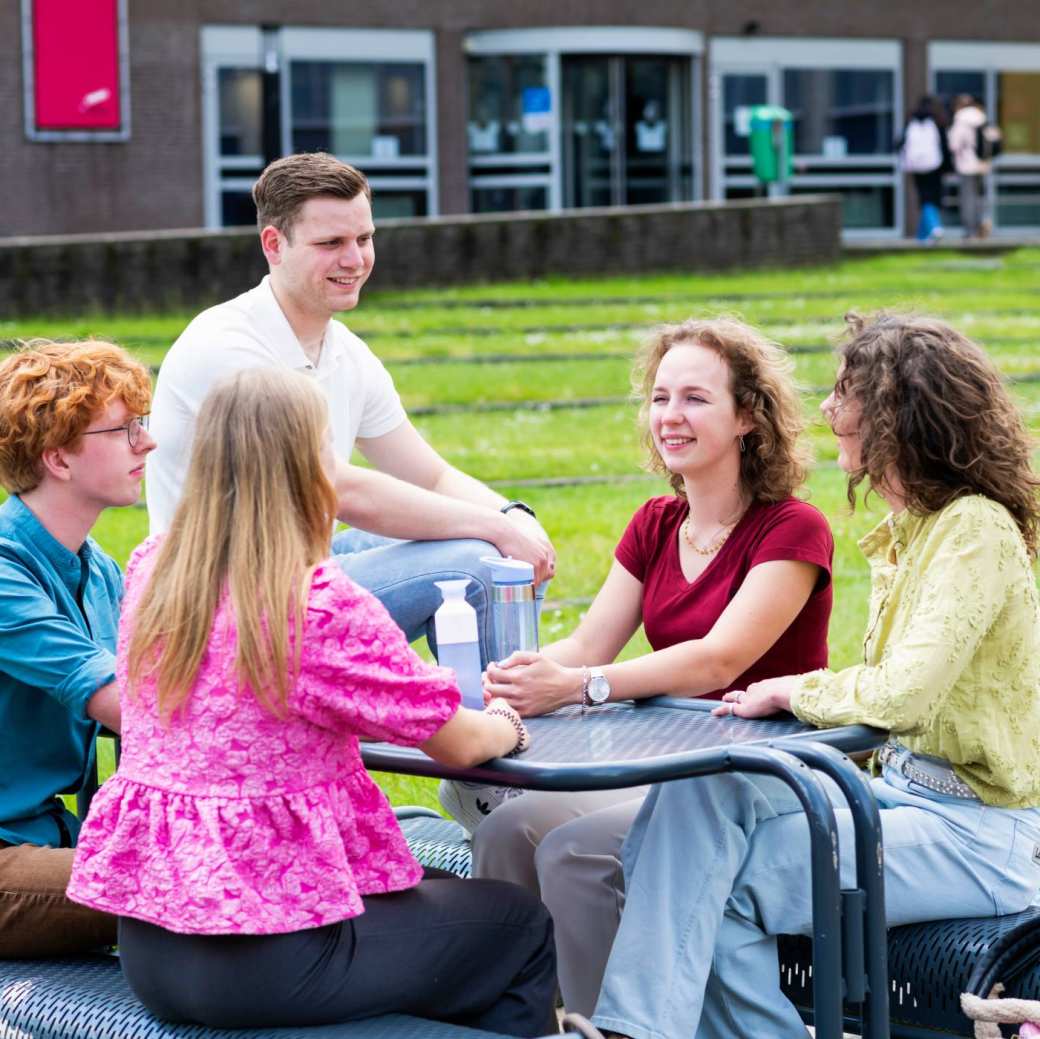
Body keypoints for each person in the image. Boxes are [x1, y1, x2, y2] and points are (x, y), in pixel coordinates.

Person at [66, 367, 555, 1036]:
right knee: (516, 922)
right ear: (309, 463)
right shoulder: (313, 603)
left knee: (438, 887)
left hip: (152, 945)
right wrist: (508, 721)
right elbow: (462, 741)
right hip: (269, 955)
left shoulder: (155, 568)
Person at [591, 313, 1040, 1039]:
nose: (828, 409)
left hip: (978, 836)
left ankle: (633, 1031)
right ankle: (640, 1029)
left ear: (898, 413)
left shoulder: (974, 528)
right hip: (899, 794)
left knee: (715, 881)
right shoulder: (914, 528)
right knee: (698, 797)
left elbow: (904, 692)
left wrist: (797, 687)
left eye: (846, 392)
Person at [465, 318, 834, 1016]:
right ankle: (522, 1019)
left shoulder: (793, 527)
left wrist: (579, 686)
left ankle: (614, 1028)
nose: (670, 416)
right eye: (660, 397)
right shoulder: (656, 523)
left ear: (748, 416)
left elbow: (717, 658)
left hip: (752, 776)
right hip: (668, 765)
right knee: (505, 830)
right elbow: (588, 644)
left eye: (695, 398)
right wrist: (517, 675)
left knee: (575, 853)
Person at [146, 151, 554, 669]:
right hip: (222, 602)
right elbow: (332, 485)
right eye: (330, 244)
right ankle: (503, 726)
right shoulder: (229, 347)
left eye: (364, 239)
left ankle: (497, 712)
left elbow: (429, 475)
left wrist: (513, 517)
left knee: (498, 545)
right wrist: (498, 532)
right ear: (274, 244)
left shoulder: (344, 352)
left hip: (295, 571)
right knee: (477, 563)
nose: (355, 259)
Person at [0, 339, 154, 957]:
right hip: (10, 854)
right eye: (124, 431)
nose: (147, 443)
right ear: (58, 457)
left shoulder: (103, 572)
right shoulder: (6, 574)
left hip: (58, 837)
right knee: (188, 883)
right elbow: (127, 703)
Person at [898, 95, 949, 242]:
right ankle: (934, 226)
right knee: (930, 199)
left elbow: (900, 142)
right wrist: (947, 167)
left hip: (916, 166)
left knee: (924, 198)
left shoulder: (911, 121)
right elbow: (944, 147)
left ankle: (921, 237)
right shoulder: (938, 121)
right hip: (934, 166)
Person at [948, 94, 998, 239]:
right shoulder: (982, 117)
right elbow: (995, 140)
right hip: (982, 164)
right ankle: (983, 221)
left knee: (967, 198)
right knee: (979, 196)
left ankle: (970, 229)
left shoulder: (960, 119)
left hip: (966, 165)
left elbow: (954, 144)